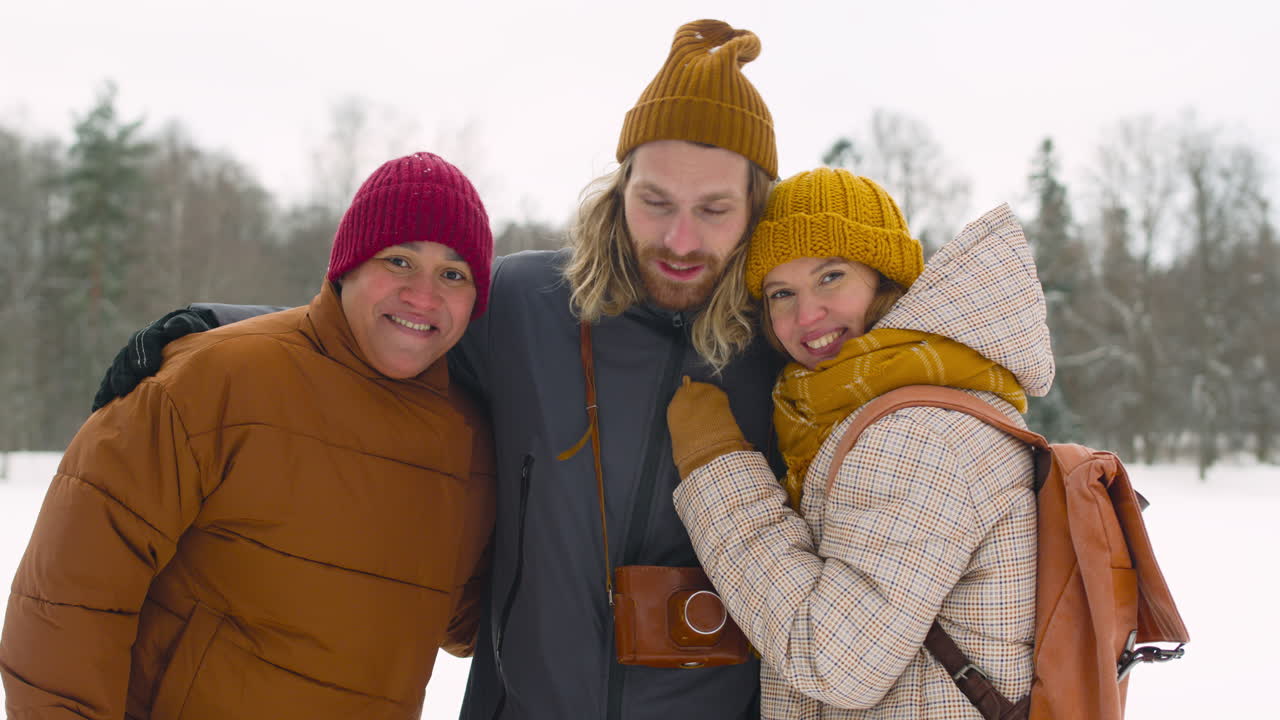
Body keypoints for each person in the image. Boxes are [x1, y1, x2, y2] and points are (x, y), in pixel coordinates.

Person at [81, 19, 782, 719]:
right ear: (621, 187)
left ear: (756, 204)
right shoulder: (529, 305)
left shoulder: (786, 342)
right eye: (655, 203)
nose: (680, 238)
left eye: (714, 209)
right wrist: (211, 323)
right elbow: (382, 333)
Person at [0, 152, 497, 719]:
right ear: (347, 266)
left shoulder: (469, 444)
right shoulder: (210, 382)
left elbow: (474, 622)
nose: (423, 295)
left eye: (453, 274)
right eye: (399, 260)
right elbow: (69, 599)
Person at [665, 169, 1055, 718]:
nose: (806, 315)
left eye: (831, 277)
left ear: (884, 279)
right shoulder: (896, 400)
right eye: (782, 293)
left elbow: (835, 661)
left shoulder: (916, 434)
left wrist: (716, 463)